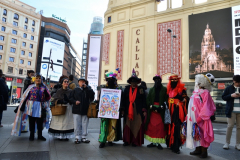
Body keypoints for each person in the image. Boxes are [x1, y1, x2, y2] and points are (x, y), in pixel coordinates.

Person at [11, 73, 51, 141]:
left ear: (41, 80)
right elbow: (25, 96)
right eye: (37, 78)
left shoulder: (44, 87)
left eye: (39, 78)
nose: (38, 79)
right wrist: (22, 105)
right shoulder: (30, 87)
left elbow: (48, 98)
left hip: (40, 106)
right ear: (34, 79)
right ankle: (31, 135)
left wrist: (46, 93)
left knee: (39, 122)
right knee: (31, 121)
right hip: (31, 106)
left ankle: (40, 136)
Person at [186, 73, 216, 158]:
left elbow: (206, 107)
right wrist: (188, 116)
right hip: (194, 118)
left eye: (198, 82)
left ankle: (204, 151)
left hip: (201, 118)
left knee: (203, 133)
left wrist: (200, 117)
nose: (197, 83)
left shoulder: (205, 93)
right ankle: (198, 149)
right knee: (196, 133)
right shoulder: (196, 92)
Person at [122, 69, 147, 147]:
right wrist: (122, 109)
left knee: (137, 125)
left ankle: (135, 141)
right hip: (128, 111)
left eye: (135, 82)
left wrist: (144, 110)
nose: (133, 83)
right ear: (130, 82)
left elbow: (144, 100)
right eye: (132, 82)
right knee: (127, 125)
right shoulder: (126, 89)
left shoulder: (140, 90)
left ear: (137, 83)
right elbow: (123, 99)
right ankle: (127, 140)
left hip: (137, 110)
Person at [98, 69, 123, 148]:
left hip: (114, 111)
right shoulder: (103, 89)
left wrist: (121, 109)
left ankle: (110, 140)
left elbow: (120, 101)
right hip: (105, 110)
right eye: (109, 80)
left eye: (112, 80)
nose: (111, 81)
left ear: (115, 81)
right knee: (104, 125)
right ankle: (102, 140)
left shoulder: (118, 90)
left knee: (113, 125)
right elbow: (100, 99)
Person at [166, 74, 189, 154]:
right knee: (170, 125)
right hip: (170, 110)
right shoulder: (169, 89)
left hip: (178, 110)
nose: (174, 81)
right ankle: (170, 144)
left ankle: (176, 146)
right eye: (172, 80)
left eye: (175, 80)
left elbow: (186, 98)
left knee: (177, 127)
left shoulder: (182, 89)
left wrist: (183, 100)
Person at [145, 75, 168, 150]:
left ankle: (158, 143)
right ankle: (153, 142)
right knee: (152, 127)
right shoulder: (151, 89)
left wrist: (161, 107)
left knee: (160, 127)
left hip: (160, 111)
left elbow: (166, 100)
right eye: (155, 80)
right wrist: (151, 106)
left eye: (158, 79)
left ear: (161, 81)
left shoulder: (164, 89)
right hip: (152, 111)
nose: (157, 81)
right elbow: (148, 99)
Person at [69, 78, 95, 144]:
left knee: (85, 123)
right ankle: (77, 137)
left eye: (83, 82)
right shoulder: (75, 90)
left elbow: (92, 95)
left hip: (86, 109)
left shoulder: (88, 89)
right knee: (77, 123)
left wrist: (87, 88)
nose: (82, 83)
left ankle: (84, 137)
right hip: (76, 109)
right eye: (81, 82)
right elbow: (70, 98)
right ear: (78, 83)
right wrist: (75, 101)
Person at [48, 76, 74, 141]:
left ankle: (66, 136)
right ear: (62, 83)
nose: (66, 83)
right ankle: (59, 135)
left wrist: (68, 100)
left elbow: (73, 99)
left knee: (66, 122)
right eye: (65, 81)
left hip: (68, 109)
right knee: (59, 121)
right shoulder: (58, 91)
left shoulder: (71, 91)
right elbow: (53, 99)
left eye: (67, 82)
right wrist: (59, 101)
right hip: (59, 108)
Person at [222, 75, 240, 151]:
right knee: (230, 126)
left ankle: (238, 144)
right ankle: (227, 143)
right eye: (236, 82)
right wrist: (231, 95)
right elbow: (223, 97)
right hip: (231, 110)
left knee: (239, 128)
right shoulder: (229, 88)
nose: (238, 84)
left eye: (239, 82)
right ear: (233, 81)